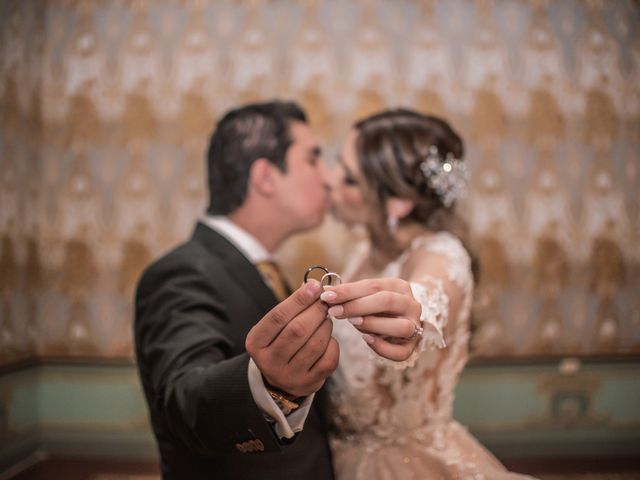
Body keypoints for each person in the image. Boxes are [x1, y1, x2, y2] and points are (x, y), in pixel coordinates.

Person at [134, 101, 423, 480]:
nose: (328, 177)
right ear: (266, 176)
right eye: (313, 159)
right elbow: (183, 403)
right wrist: (267, 384)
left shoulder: (266, 271)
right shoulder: (182, 271)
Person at [321, 108, 537, 479]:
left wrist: (414, 321)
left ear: (399, 203)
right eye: (338, 166)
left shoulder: (442, 254)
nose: (331, 182)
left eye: (350, 179)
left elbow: (427, 299)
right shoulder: (361, 253)